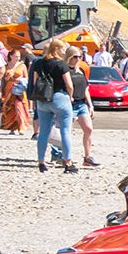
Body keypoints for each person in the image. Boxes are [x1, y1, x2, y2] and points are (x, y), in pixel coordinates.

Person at [32, 39, 77, 173]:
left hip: (43, 99)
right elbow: (69, 85)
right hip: (59, 97)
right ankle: (68, 162)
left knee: (44, 132)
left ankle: (41, 162)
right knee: (65, 130)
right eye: (63, 49)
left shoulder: (38, 63)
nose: (64, 52)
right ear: (56, 49)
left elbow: (35, 82)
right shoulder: (61, 64)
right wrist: (70, 96)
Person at [65, 47, 99, 166]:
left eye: (79, 56)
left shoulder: (81, 71)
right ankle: (66, 157)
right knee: (68, 131)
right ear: (69, 57)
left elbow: (85, 89)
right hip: (69, 104)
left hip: (81, 103)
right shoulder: (65, 71)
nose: (77, 59)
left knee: (88, 129)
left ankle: (87, 157)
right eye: (75, 56)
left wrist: (90, 105)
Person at [0, 47, 31, 135]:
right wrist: (0, 91)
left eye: (19, 56)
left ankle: (22, 127)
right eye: (16, 56)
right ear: (11, 56)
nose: (18, 58)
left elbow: (26, 77)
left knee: (19, 106)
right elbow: (3, 80)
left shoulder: (22, 65)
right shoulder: (6, 66)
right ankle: (12, 127)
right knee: (10, 108)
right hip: (9, 89)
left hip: (19, 88)